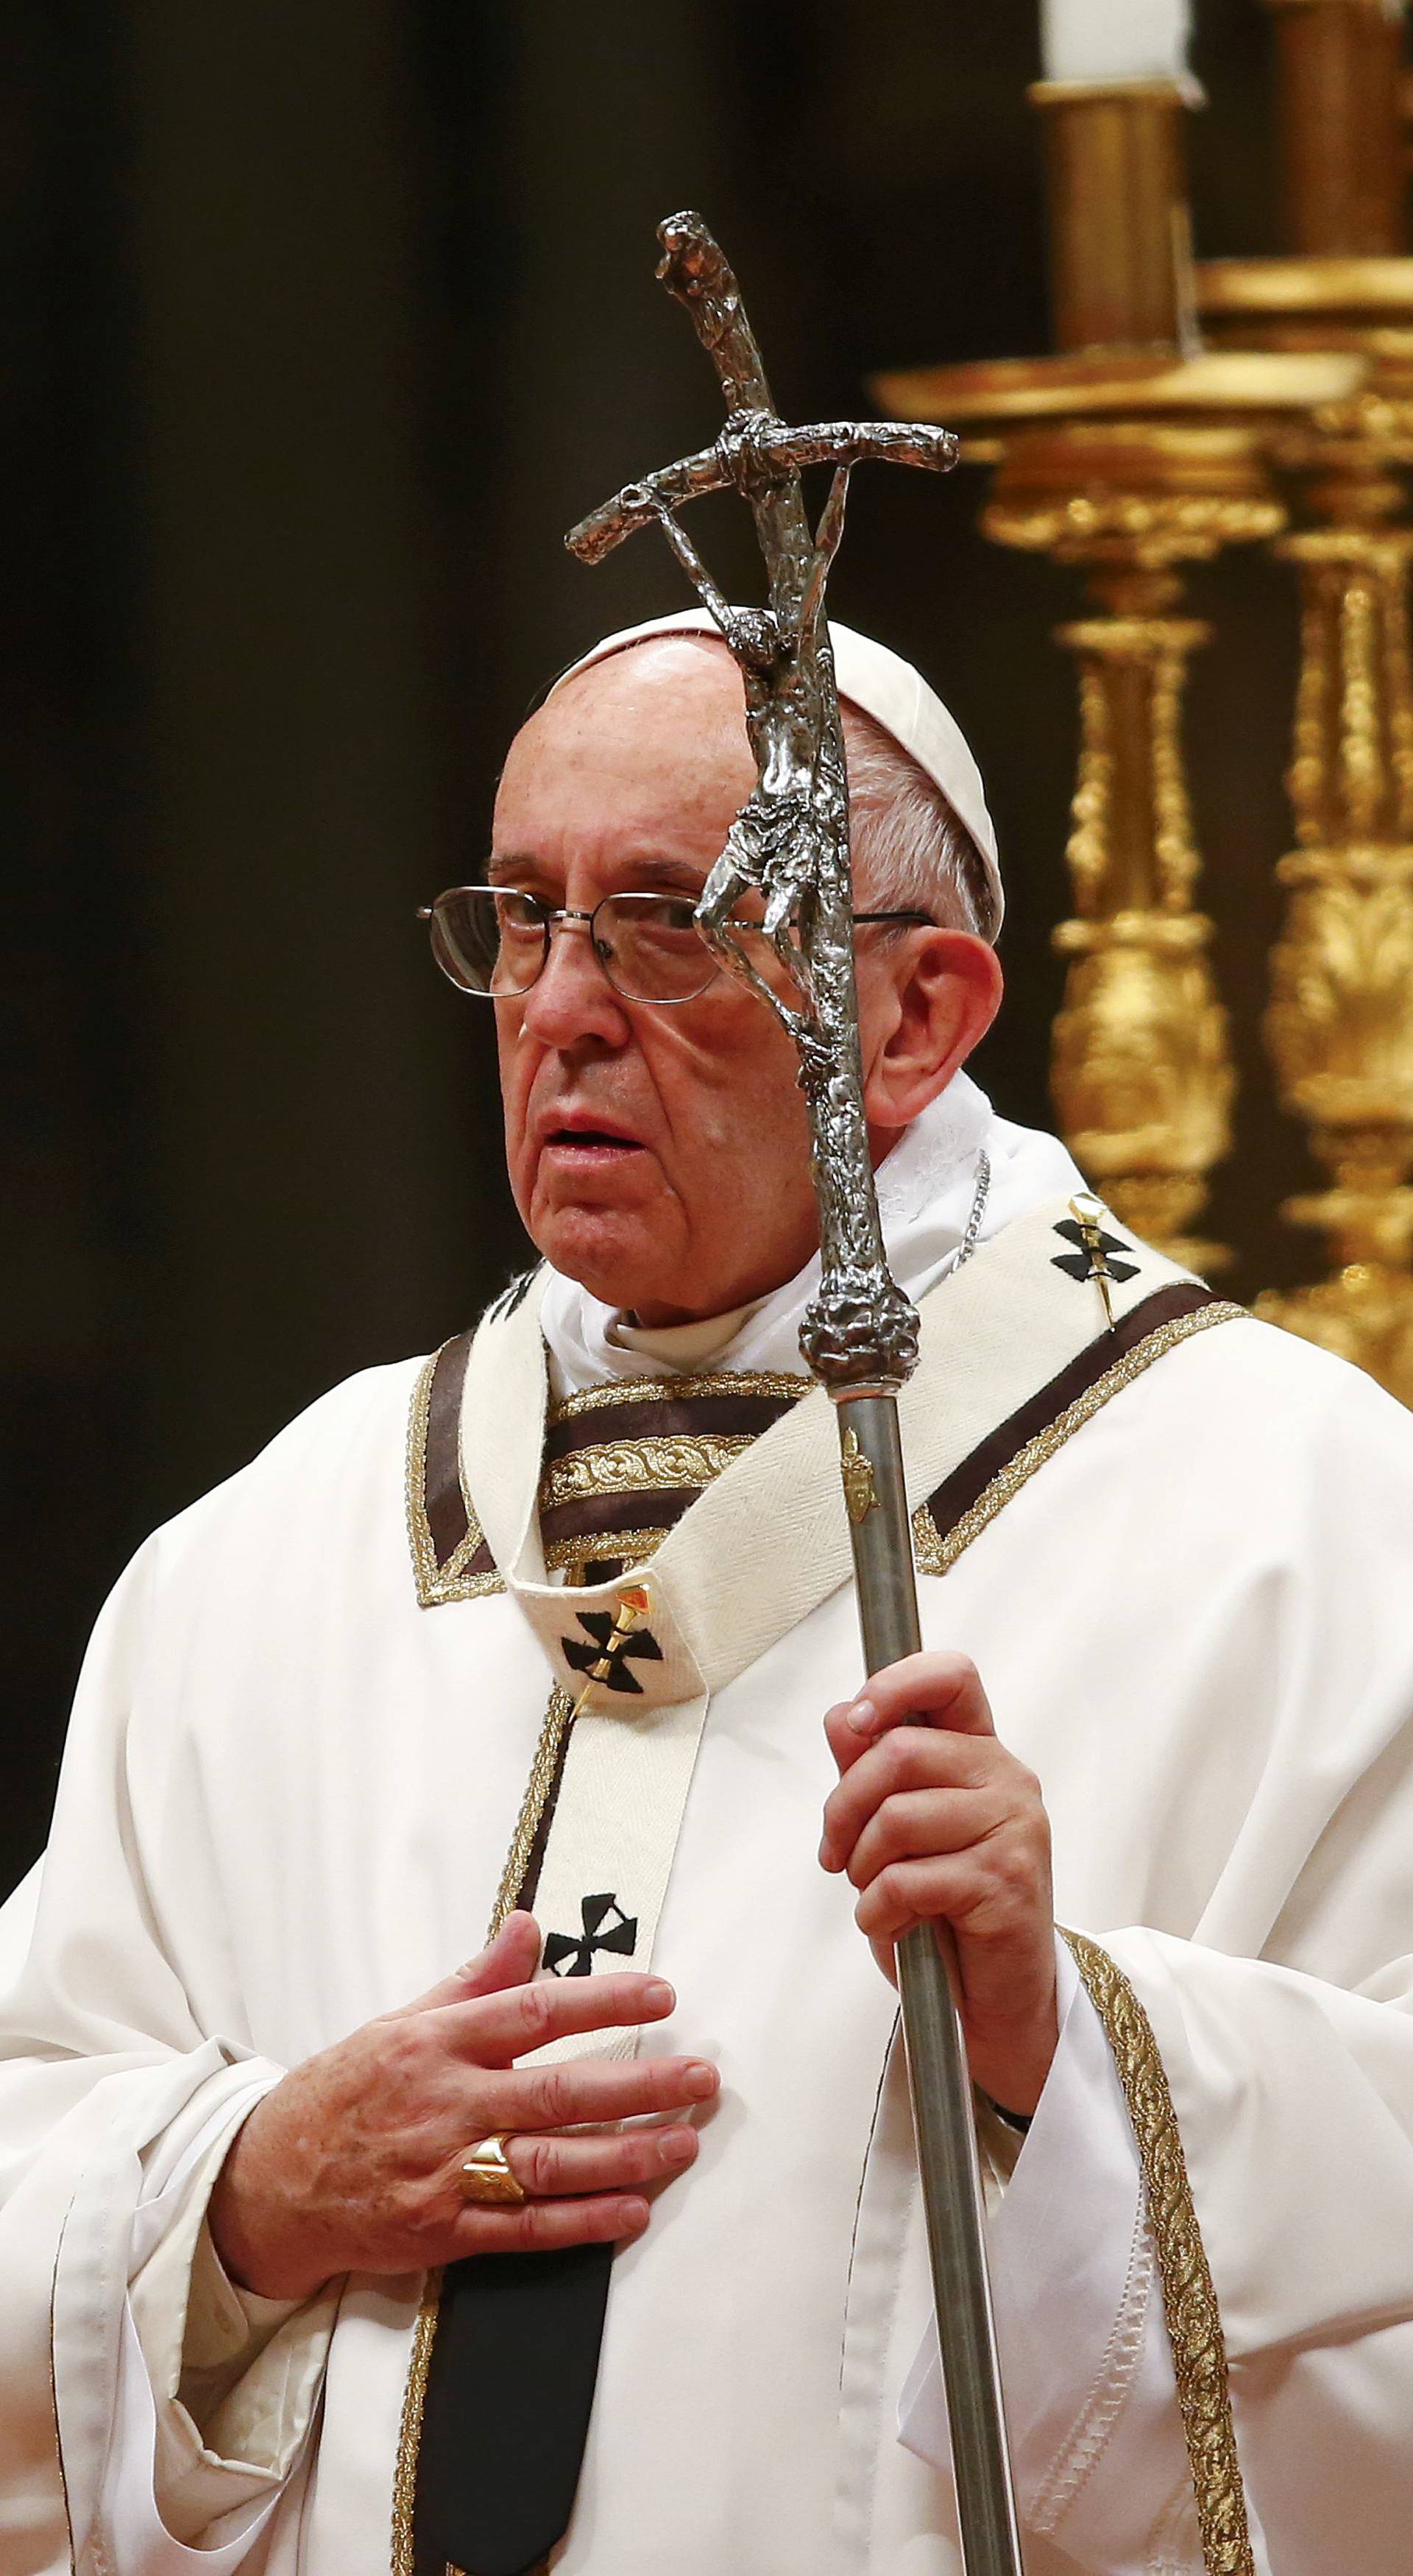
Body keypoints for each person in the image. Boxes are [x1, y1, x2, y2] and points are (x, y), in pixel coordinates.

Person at [3, 612, 1413, 2576]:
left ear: (916, 1017)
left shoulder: (1298, 1523)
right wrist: (255, 2193)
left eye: (668, 924)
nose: (562, 1006)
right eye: (520, 918)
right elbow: (34, 2122)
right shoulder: (270, 1557)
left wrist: (1058, 2046)